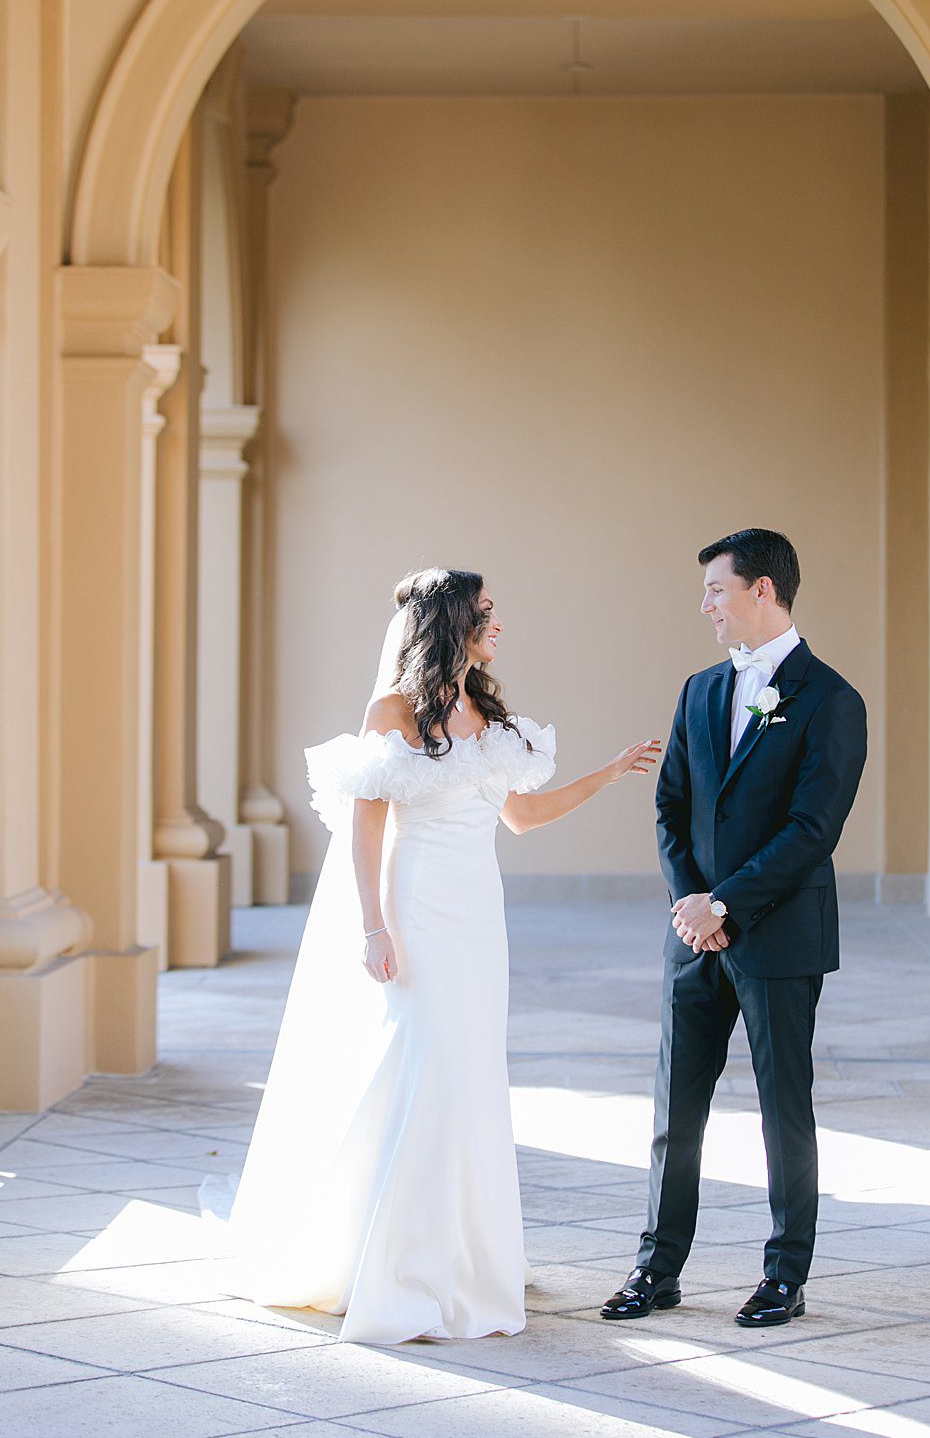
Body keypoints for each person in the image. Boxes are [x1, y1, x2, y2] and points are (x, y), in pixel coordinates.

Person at [221, 569, 661, 1344]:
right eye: (487, 612)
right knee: (426, 1069)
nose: (499, 624)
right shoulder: (391, 711)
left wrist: (610, 772)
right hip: (417, 913)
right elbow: (363, 829)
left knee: (470, 1077)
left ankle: (463, 1258)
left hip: (477, 922)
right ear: (453, 620)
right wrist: (373, 926)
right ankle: (400, 1268)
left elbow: (519, 816)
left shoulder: (487, 713)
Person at [601, 529, 866, 1330]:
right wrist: (692, 904)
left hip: (779, 937)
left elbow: (813, 828)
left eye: (717, 588)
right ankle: (658, 1266)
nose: (706, 604)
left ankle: (785, 1274)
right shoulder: (698, 691)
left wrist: (727, 904)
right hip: (696, 939)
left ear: (763, 592)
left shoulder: (831, 699)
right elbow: (672, 807)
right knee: (674, 1111)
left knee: (784, 1108)